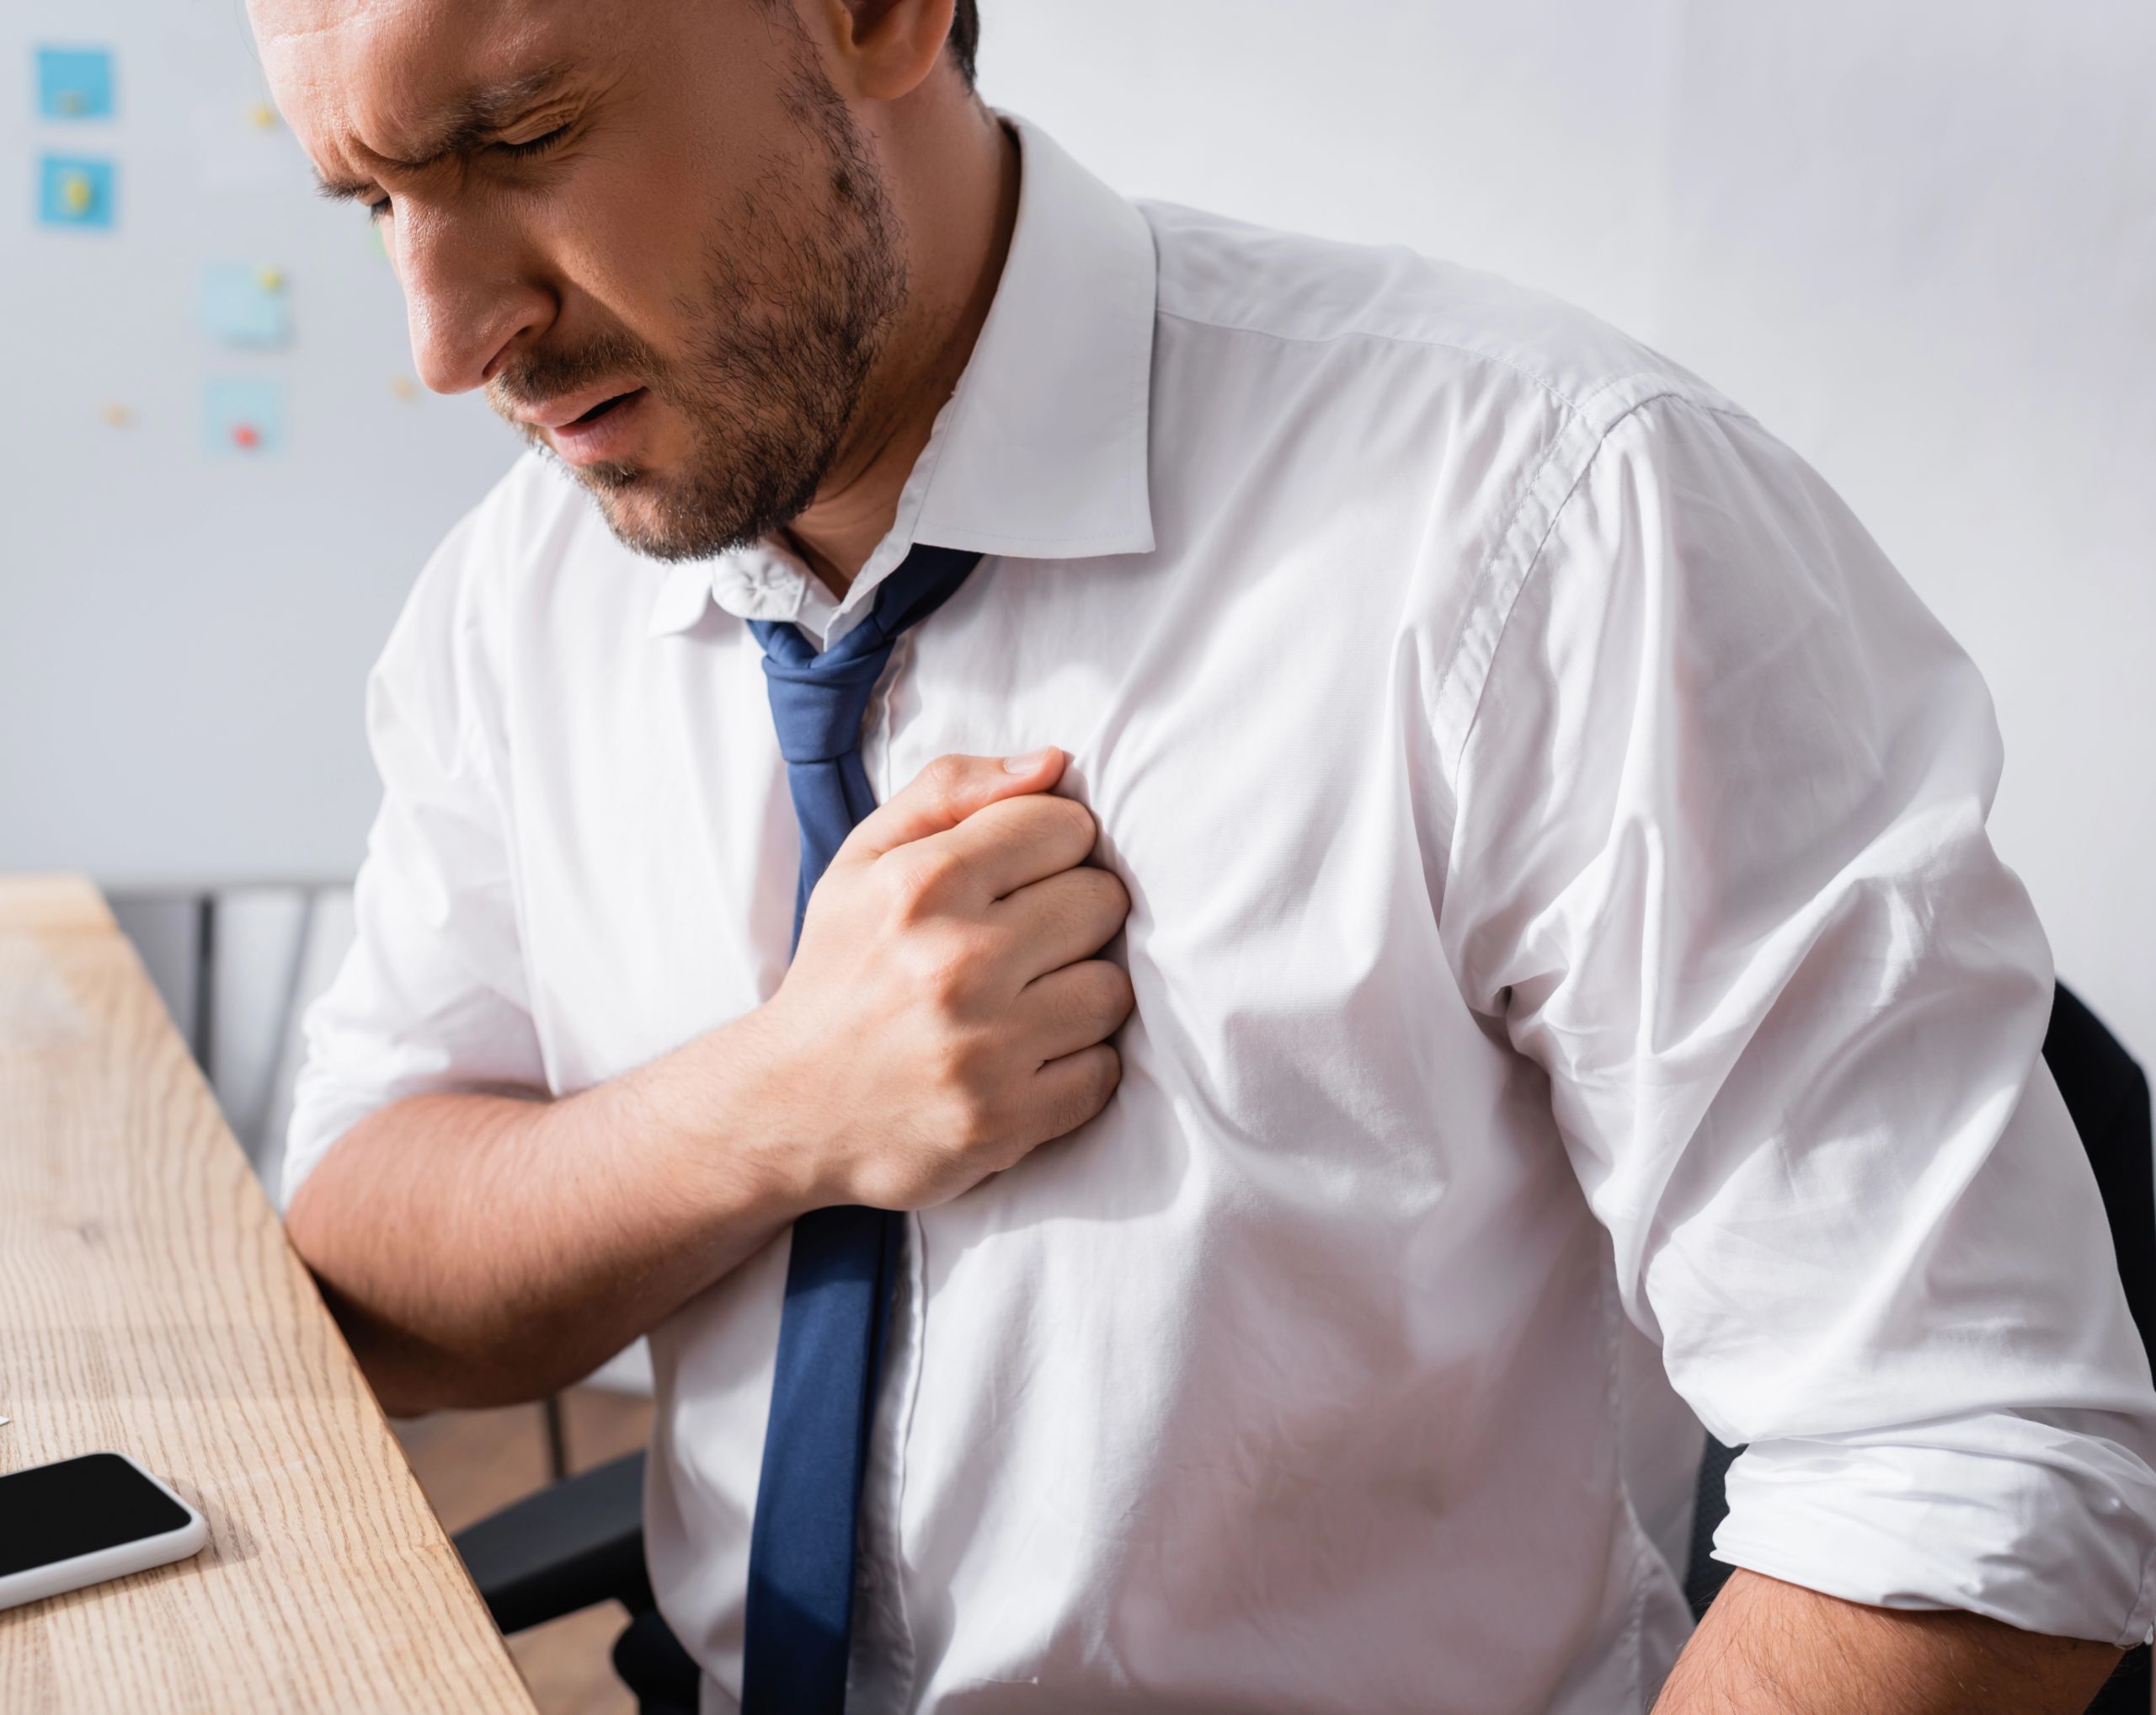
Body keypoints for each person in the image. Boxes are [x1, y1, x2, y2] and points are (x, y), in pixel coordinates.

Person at [251, 0, 2156, 1708]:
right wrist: (767, 1109)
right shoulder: (514, 608)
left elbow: (1968, 1479)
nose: (442, 339)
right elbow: (368, 1273)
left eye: (518, 139)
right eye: (368, 201)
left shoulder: (1546, 523)